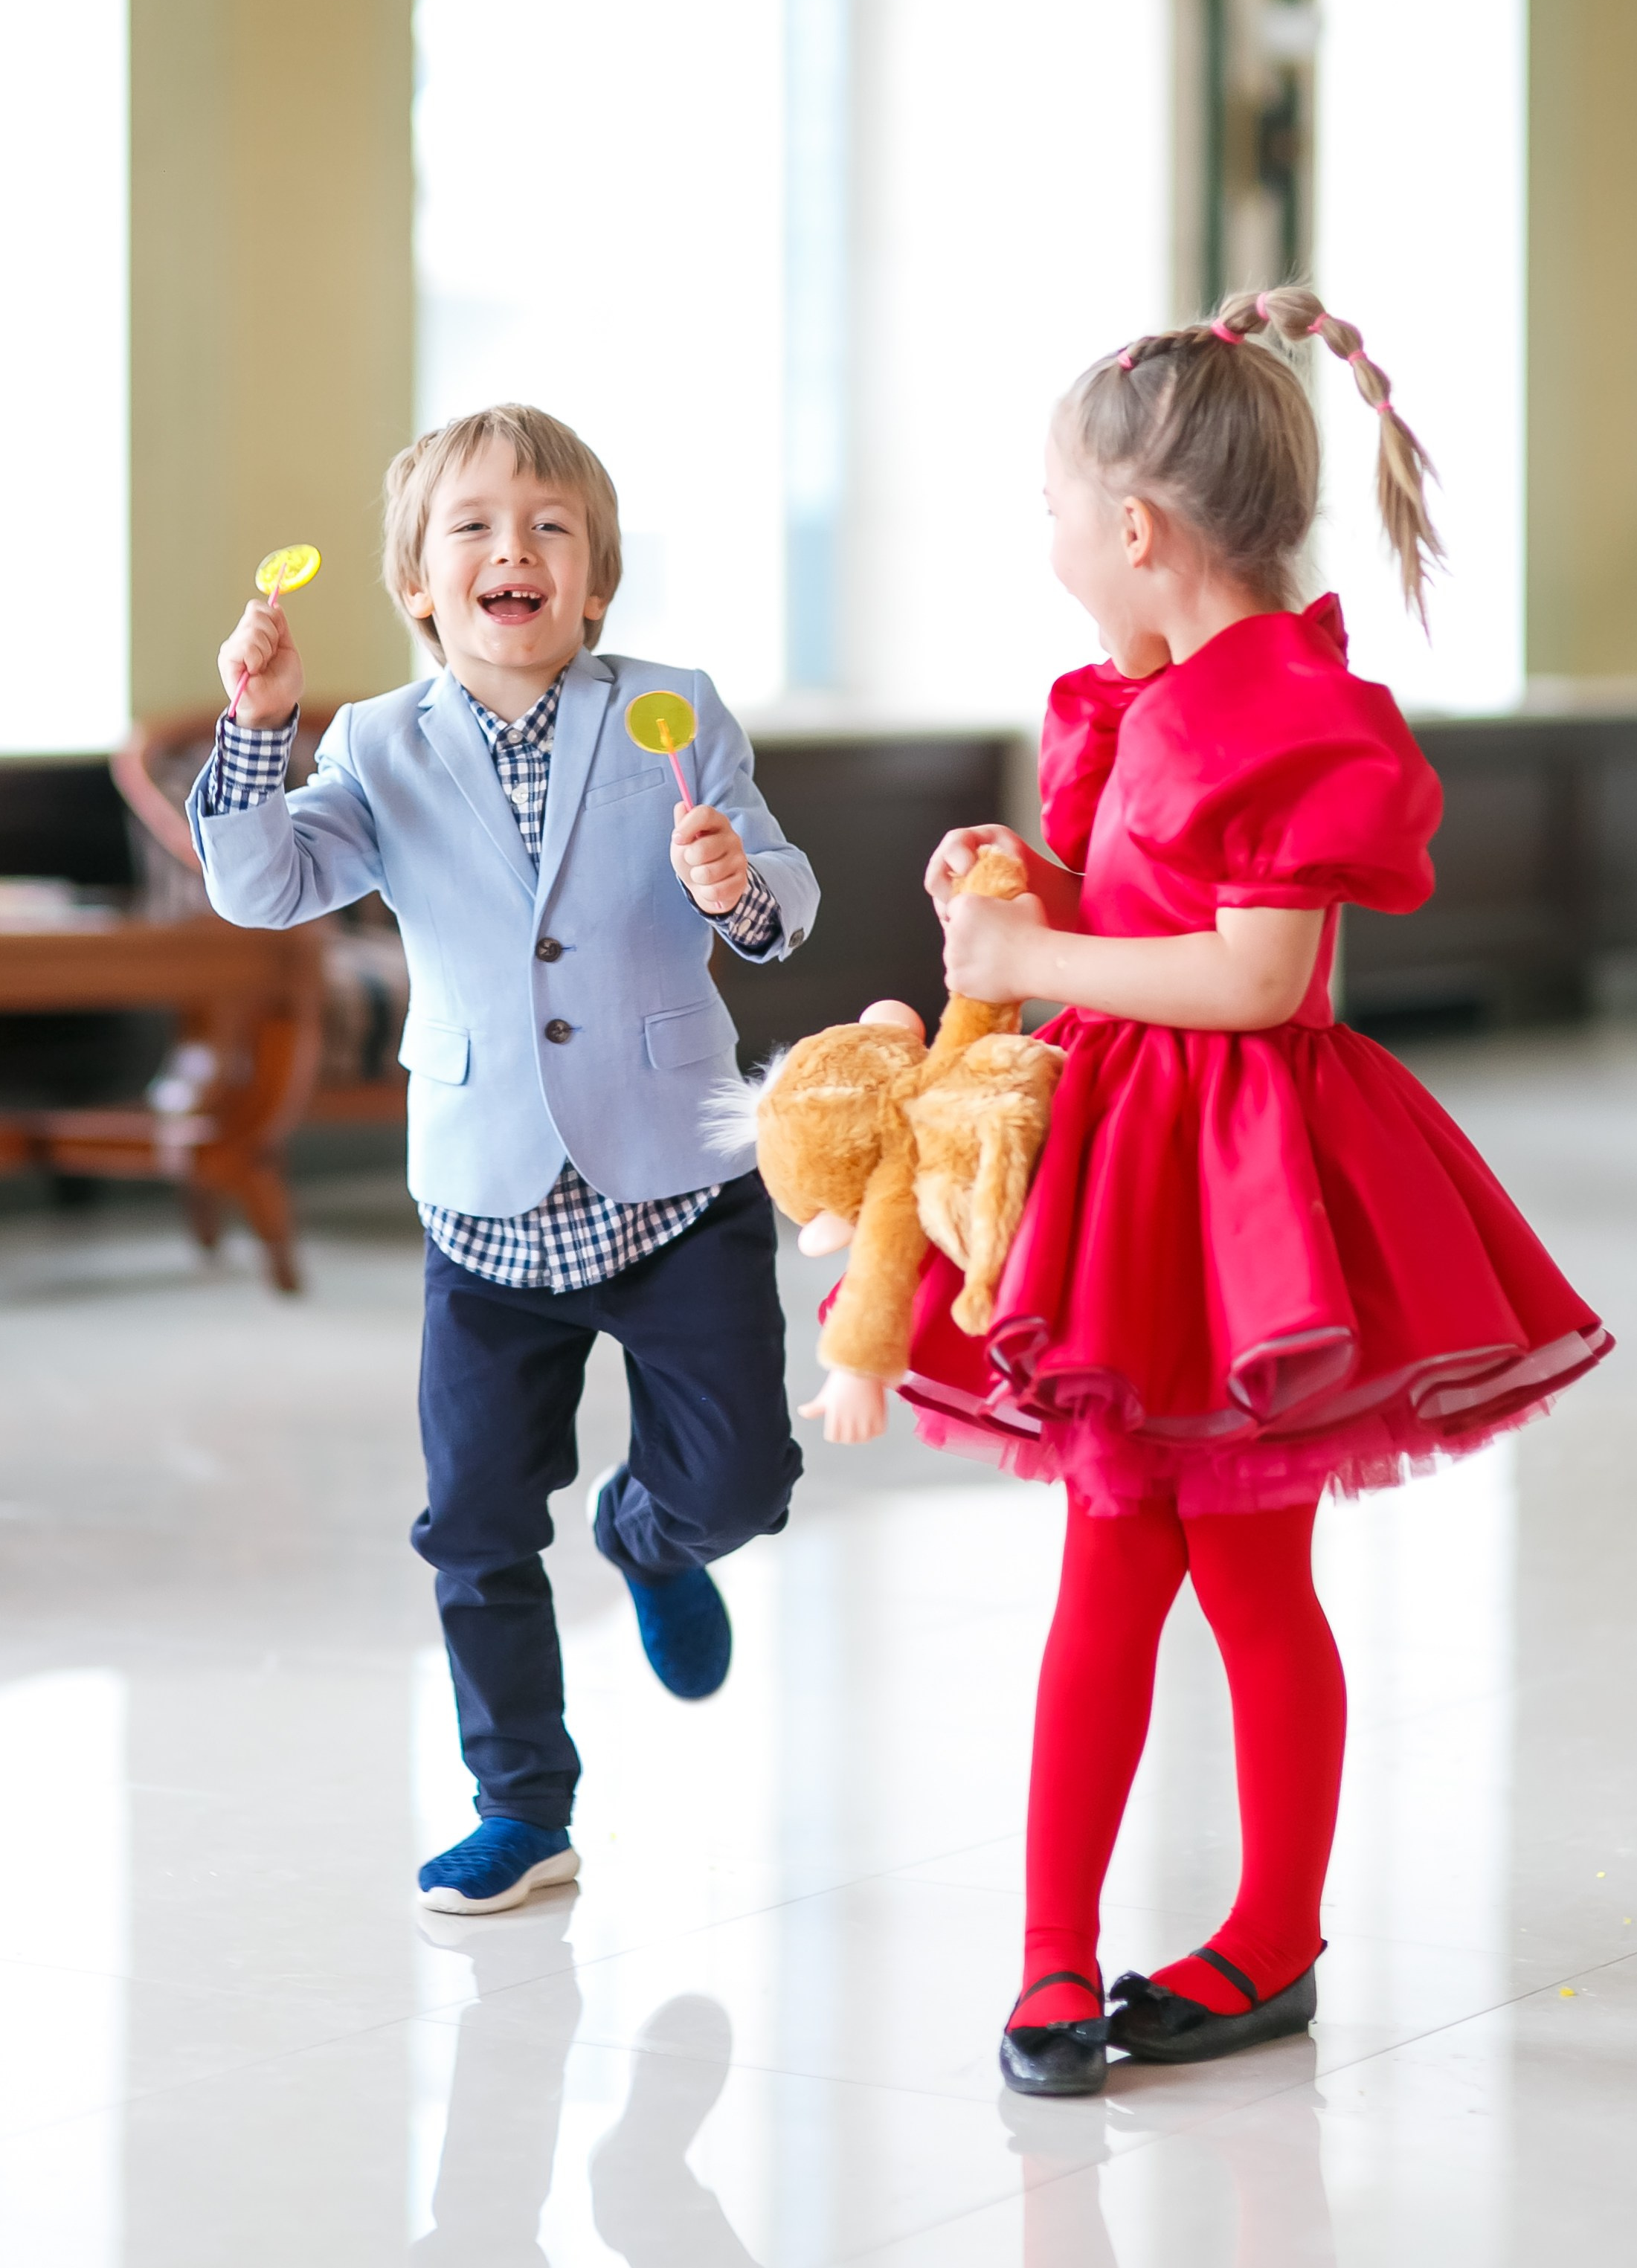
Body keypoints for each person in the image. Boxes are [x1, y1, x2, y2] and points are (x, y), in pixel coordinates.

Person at [900, 289, 1610, 2095]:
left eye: (1056, 513)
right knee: (1117, 1569)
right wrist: (1029, 885)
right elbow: (1146, 909)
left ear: (1138, 531)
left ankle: (1264, 1941)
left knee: (1240, 1574)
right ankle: (1059, 1953)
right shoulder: (1159, 699)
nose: (1052, 545)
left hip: (1230, 1189)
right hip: (1137, 1169)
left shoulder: (1281, 710)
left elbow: (1256, 977)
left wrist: (1033, 958)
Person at [190, 404, 817, 1915]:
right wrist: (257, 728)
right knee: (473, 1524)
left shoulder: (671, 709)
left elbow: (785, 903)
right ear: (419, 582)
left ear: (594, 579)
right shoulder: (375, 742)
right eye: (471, 527)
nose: (511, 549)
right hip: (486, 1205)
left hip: (676, 1181)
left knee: (742, 1482)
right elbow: (263, 887)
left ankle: (649, 1536)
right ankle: (522, 1805)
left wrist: (733, 884)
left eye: (548, 527)